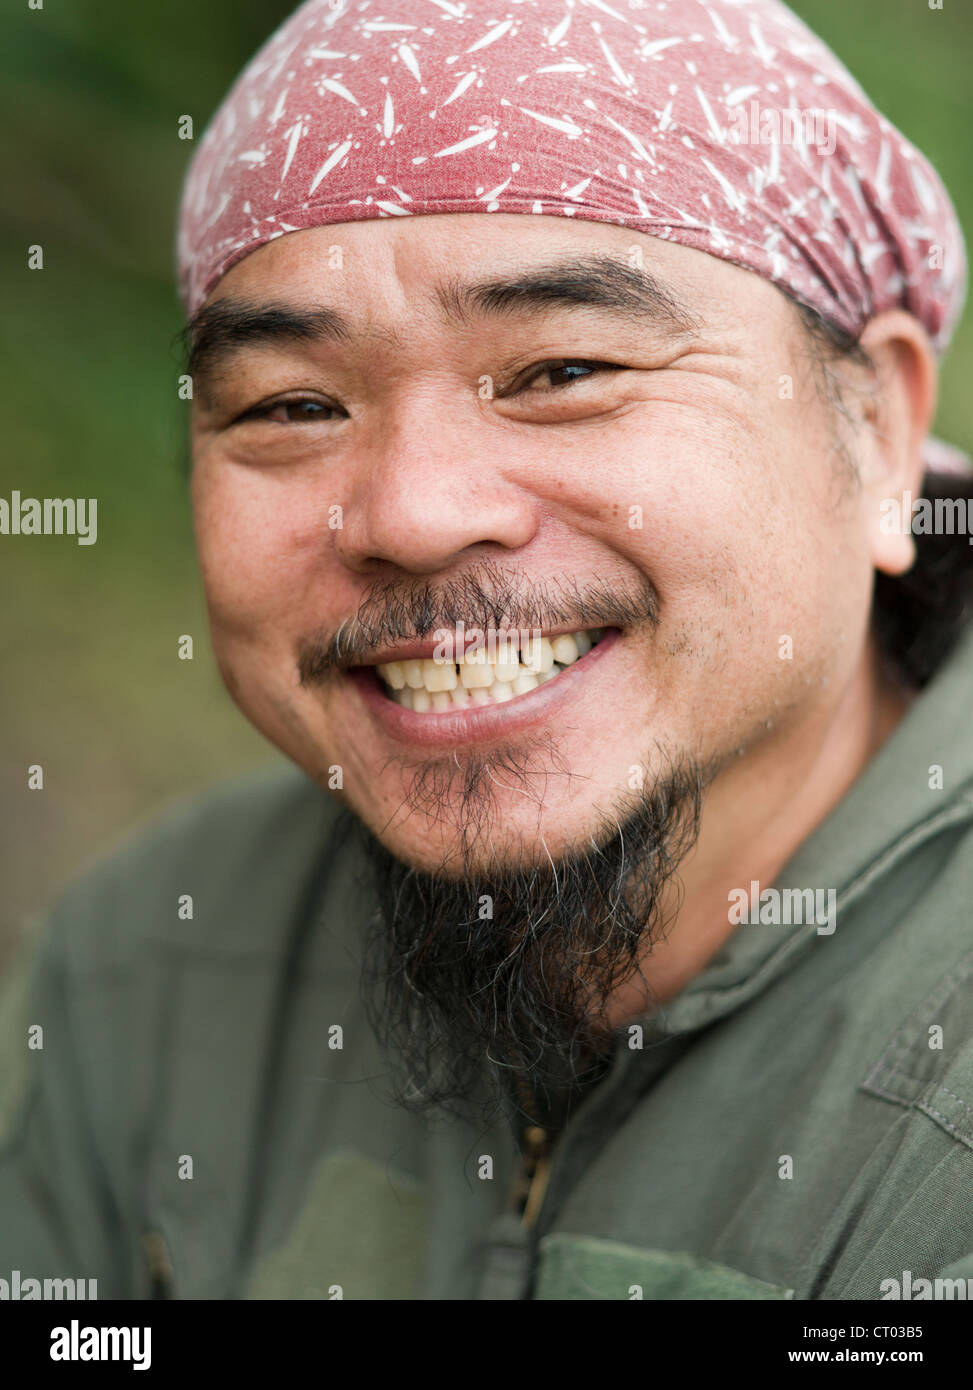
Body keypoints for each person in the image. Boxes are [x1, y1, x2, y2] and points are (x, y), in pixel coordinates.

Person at [2, 0, 972, 1301]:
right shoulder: (153, 961)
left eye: (562, 369)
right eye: (294, 404)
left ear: (881, 431)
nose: (410, 511)